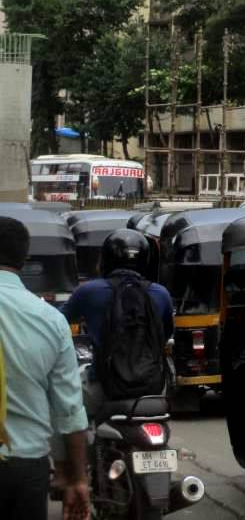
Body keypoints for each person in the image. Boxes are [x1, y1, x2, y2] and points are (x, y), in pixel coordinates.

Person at [52, 229, 174, 486]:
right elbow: (166, 334)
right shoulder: (161, 294)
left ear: (106, 259)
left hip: (106, 386)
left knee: (66, 412)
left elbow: (57, 324)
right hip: (154, 389)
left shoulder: (90, 292)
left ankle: (73, 477)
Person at [0, 216, 90, 520]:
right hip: (24, 470)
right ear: (24, 259)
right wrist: (76, 477)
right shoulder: (50, 320)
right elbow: (67, 409)